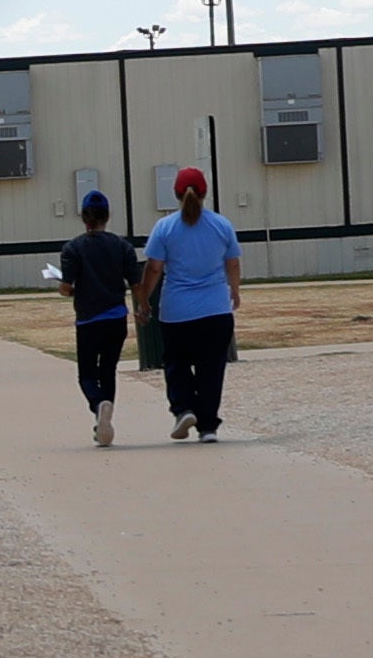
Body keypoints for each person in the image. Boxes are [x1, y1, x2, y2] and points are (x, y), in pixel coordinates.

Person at [138, 164, 241, 440]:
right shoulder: (222, 225)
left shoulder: (165, 227)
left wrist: (143, 300)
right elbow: (232, 263)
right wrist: (235, 290)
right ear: (205, 192)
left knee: (176, 363)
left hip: (177, 312)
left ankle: (183, 408)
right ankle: (208, 427)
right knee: (212, 368)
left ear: (175, 193)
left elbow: (154, 268)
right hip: (216, 309)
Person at [53, 186, 139, 447]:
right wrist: (142, 307)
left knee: (87, 374)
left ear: (83, 218)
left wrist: (67, 288)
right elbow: (135, 282)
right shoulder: (122, 246)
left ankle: (98, 405)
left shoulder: (73, 249)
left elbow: (66, 287)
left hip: (89, 319)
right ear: (107, 216)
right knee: (108, 370)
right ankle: (106, 419)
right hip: (116, 317)